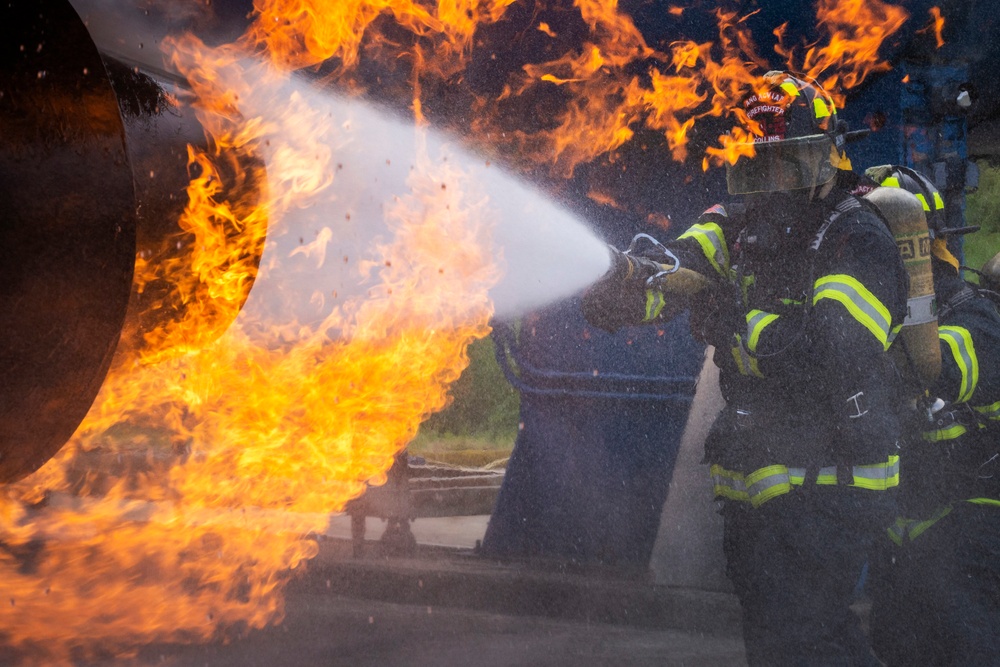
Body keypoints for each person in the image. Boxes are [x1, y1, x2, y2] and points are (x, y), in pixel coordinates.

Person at [581, 71, 909, 665]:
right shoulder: (737, 224)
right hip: (761, 485)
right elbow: (681, 273)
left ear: (821, 160)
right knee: (785, 638)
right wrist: (621, 290)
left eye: (780, 165)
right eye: (754, 165)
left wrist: (741, 320)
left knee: (802, 638)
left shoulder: (853, 237)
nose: (765, 182)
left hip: (833, 482)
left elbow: (834, 358)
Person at [864, 165, 1000, 665]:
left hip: (973, 527)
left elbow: (938, 369)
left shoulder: (973, 316)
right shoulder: (873, 311)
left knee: (968, 645)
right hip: (907, 531)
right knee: (897, 644)